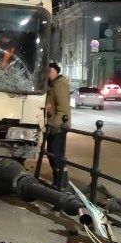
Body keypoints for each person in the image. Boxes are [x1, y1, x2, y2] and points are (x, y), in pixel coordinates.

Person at [45, 61, 71, 190]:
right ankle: (58, 182)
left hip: (58, 126)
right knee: (52, 154)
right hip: (53, 125)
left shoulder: (60, 84)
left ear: (56, 71)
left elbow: (63, 108)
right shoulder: (52, 84)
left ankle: (61, 183)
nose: (48, 73)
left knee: (56, 155)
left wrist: (55, 125)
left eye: (50, 70)